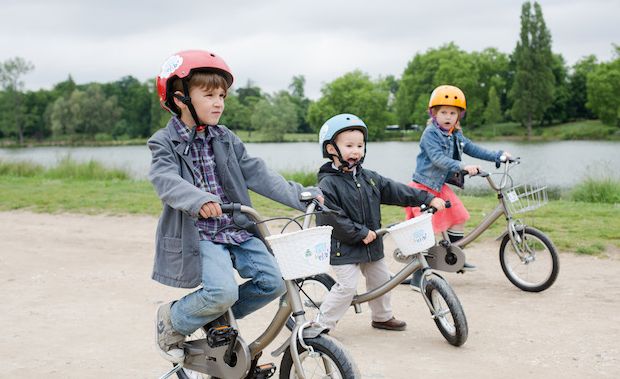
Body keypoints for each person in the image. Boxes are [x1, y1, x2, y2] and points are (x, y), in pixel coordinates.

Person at [148, 49, 321, 363]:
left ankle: (214, 318)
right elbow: (164, 178)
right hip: (199, 235)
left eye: (222, 96)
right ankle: (174, 320)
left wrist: (302, 196)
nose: (219, 103)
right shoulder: (164, 142)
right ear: (180, 99)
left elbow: (258, 172)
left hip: (235, 229)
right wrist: (199, 200)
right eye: (209, 94)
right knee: (222, 292)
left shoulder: (225, 137)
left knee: (272, 282)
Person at [314, 113, 446, 332]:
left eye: (360, 145)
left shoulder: (370, 178)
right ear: (331, 149)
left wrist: (427, 197)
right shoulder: (328, 184)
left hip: (372, 244)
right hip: (344, 248)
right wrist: (358, 232)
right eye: (349, 145)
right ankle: (320, 326)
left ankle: (382, 317)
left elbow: (397, 191)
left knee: (382, 280)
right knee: (347, 287)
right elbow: (331, 216)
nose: (356, 150)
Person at [404, 85, 511, 280]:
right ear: (434, 113)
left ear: (458, 115)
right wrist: (461, 166)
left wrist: (498, 156)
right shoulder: (430, 134)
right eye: (443, 112)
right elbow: (437, 158)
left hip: (439, 187)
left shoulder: (455, 134)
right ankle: (418, 275)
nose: (448, 116)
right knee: (425, 232)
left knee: (459, 217)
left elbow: (473, 148)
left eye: (452, 112)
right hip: (424, 187)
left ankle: (454, 257)